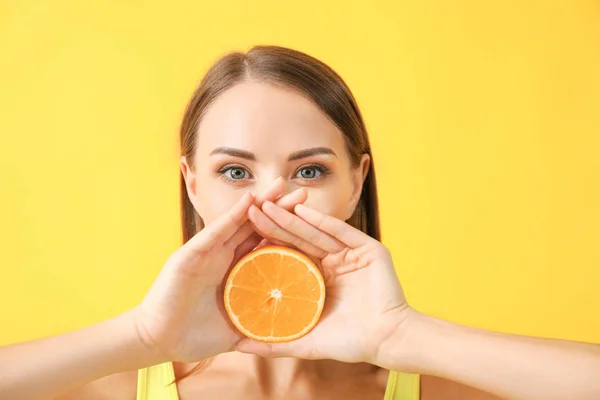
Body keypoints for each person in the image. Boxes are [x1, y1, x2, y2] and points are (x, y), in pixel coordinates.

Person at [1, 45, 599, 400]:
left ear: (356, 182)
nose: (272, 203)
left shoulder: (429, 380)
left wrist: (402, 339)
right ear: (191, 184)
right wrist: (141, 340)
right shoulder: (115, 385)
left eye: (308, 172)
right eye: (235, 173)